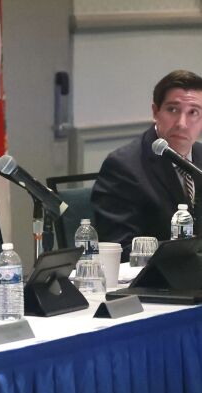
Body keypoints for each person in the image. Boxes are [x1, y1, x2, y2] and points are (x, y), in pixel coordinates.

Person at [92, 70, 202, 260]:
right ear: (155, 112)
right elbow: (120, 247)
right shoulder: (123, 167)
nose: (182, 123)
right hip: (154, 283)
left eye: (193, 112)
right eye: (173, 110)